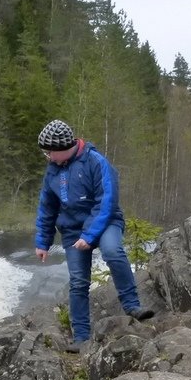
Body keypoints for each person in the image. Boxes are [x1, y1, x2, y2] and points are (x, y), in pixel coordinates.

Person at [33, 119, 154, 353]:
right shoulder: (53, 171)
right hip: (71, 231)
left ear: (61, 148)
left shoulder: (96, 162)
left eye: (49, 152)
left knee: (112, 251)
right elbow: (47, 208)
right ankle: (81, 337)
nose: (48, 156)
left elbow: (107, 201)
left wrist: (89, 235)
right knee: (78, 282)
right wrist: (43, 242)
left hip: (106, 221)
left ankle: (132, 306)